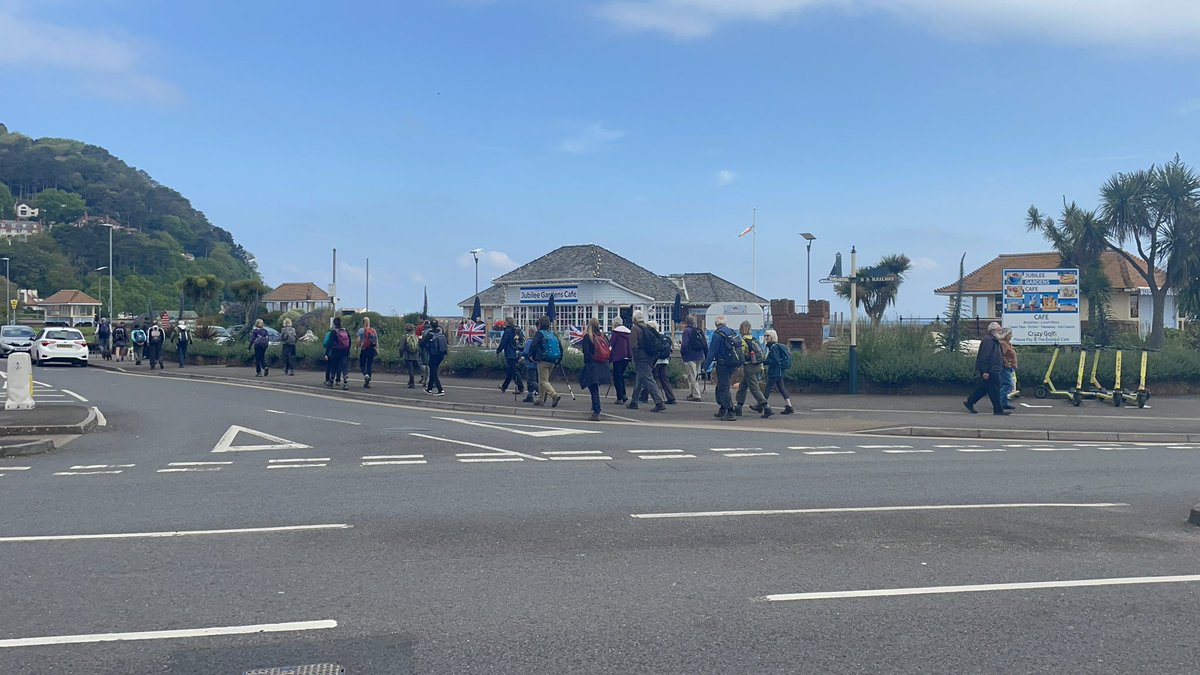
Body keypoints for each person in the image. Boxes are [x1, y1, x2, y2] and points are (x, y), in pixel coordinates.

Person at [964, 321, 1008, 415]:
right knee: (995, 389)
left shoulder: (994, 340)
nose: (1000, 331)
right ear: (993, 330)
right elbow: (984, 356)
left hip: (994, 369)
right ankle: (998, 410)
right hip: (991, 370)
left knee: (986, 388)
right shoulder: (988, 340)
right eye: (999, 330)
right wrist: (985, 371)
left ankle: (970, 402)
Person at [703, 315, 741, 421]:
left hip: (723, 364)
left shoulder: (717, 335)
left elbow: (712, 352)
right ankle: (723, 408)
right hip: (733, 363)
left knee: (723, 388)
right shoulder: (732, 331)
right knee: (720, 386)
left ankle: (730, 411)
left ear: (716, 324)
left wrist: (705, 367)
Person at [627, 310, 666, 412]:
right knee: (639, 379)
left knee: (648, 379)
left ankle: (659, 402)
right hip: (649, 356)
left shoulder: (635, 328)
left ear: (634, 319)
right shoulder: (647, 327)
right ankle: (634, 402)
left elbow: (634, 345)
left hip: (641, 358)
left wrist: (634, 358)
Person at [733, 321, 772, 418]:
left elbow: (740, 355)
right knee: (742, 387)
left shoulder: (742, 341)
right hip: (757, 365)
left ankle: (767, 407)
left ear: (741, 329)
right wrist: (761, 367)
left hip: (749, 367)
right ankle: (738, 407)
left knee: (754, 388)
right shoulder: (754, 339)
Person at [579, 317, 612, 421]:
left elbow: (586, 353)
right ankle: (595, 406)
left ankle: (597, 411)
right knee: (595, 387)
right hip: (603, 365)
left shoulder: (587, 337)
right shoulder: (603, 336)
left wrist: (591, 359)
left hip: (592, 365)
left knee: (593, 389)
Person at [529, 316, 563, 407]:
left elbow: (534, 345)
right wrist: (559, 360)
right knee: (543, 380)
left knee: (543, 381)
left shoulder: (539, 333)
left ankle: (554, 395)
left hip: (543, 360)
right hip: (553, 360)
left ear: (540, 324)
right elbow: (560, 348)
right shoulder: (553, 334)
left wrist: (531, 355)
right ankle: (540, 399)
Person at [762, 329, 794, 414]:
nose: (766, 337)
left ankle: (761, 405)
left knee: (767, 388)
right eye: (765, 336)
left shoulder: (773, 347)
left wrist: (765, 361)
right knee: (781, 388)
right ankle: (789, 406)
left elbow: (775, 360)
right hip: (779, 371)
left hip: (775, 371)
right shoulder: (774, 346)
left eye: (768, 336)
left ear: (772, 336)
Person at [647, 320, 676, 405]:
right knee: (664, 380)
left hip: (655, 361)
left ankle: (644, 396)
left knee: (649, 378)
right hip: (665, 360)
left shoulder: (653, 337)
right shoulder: (664, 337)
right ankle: (670, 397)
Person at [679, 316, 707, 402]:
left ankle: (696, 395)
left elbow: (684, 344)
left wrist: (683, 353)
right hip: (699, 355)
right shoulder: (698, 330)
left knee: (692, 375)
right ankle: (692, 393)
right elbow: (704, 343)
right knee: (695, 375)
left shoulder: (687, 331)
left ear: (686, 322)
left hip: (690, 356)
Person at [495, 317, 525, 395]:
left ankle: (521, 388)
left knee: (514, 371)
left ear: (507, 323)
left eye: (505, 322)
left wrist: (498, 351)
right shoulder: (516, 330)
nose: (504, 324)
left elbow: (503, 342)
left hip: (510, 353)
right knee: (510, 371)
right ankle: (504, 387)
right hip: (517, 352)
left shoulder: (508, 331)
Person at [323, 317, 352, 390]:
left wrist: (326, 353)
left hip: (335, 351)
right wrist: (348, 350)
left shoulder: (333, 331)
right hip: (345, 351)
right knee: (344, 367)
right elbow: (349, 342)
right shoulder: (345, 330)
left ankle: (331, 381)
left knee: (334, 366)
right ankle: (345, 383)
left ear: (334, 323)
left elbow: (330, 343)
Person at [609, 317, 632, 405]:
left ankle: (620, 397)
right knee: (621, 376)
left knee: (617, 377)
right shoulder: (628, 332)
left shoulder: (615, 333)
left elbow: (611, 345)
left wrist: (608, 356)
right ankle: (624, 394)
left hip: (617, 356)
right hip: (626, 357)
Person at [422, 319, 447, 396]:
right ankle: (429, 389)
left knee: (433, 372)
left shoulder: (430, 334)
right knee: (433, 370)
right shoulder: (441, 333)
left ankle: (440, 390)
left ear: (430, 326)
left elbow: (422, 344)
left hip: (433, 355)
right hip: (441, 355)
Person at [998, 327, 1017, 411]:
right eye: (1010, 334)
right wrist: (1006, 363)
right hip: (1005, 368)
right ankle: (1000, 403)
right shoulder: (1003, 344)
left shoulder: (1008, 343)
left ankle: (1004, 403)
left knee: (1006, 384)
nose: (1011, 336)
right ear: (1005, 335)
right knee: (1007, 384)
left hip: (1009, 367)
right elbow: (1001, 355)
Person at [357, 316, 378, 388]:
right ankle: (367, 383)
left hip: (364, 349)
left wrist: (357, 347)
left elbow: (358, 340)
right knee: (369, 365)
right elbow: (376, 341)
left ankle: (366, 375)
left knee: (362, 364)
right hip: (372, 349)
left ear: (362, 322)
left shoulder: (361, 330)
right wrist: (376, 348)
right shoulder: (373, 330)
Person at [520, 325, 539, 403]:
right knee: (535, 379)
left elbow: (526, 352)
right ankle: (530, 396)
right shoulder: (538, 341)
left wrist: (519, 353)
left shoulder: (529, 341)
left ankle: (540, 390)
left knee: (530, 381)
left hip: (530, 363)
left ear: (530, 332)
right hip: (537, 363)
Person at [400, 323, 421, 388]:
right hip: (416, 355)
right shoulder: (416, 336)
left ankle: (412, 383)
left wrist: (401, 354)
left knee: (410, 369)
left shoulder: (404, 337)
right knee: (413, 369)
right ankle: (410, 381)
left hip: (408, 355)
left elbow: (401, 347)